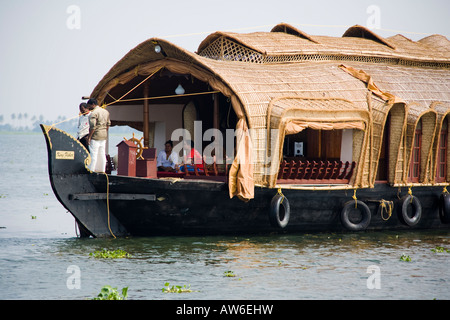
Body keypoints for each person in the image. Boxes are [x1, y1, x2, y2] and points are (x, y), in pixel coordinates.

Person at [86, 98, 110, 173]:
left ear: (93, 105)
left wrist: (89, 138)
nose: (88, 108)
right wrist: (104, 132)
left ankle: (92, 171)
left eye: (89, 106)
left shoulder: (93, 113)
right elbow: (108, 124)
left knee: (94, 154)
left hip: (96, 136)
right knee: (102, 154)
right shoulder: (106, 112)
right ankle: (102, 170)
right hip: (104, 136)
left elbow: (92, 127)